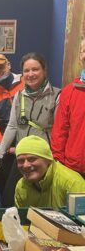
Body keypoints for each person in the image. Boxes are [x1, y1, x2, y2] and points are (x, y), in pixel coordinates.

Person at [0, 53, 60, 206]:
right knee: (10, 201)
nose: (30, 74)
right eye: (26, 70)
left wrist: (56, 157)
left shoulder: (57, 96)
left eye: (35, 69)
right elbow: (12, 126)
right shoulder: (19, 96)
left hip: (44, 160)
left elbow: (59, 131)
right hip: (22, 159)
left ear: (44, 70)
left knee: (41, 203)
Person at [14, 136, 85, 208]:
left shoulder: (72, 183)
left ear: (48, 160)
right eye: (20, 160)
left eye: (32, 159)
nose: (25, 165)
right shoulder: (21, 186)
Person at [52, 38, 85, 177]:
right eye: (84, 51)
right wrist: (58, 165)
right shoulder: (69, 91)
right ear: (80, 57)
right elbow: (60, 132)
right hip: (74, 169)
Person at [0, 53, 24, 143]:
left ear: (8, 65)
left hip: (31, 138)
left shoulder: (25, 82)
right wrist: (4, 145)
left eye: (0, 67)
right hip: (8, 143)